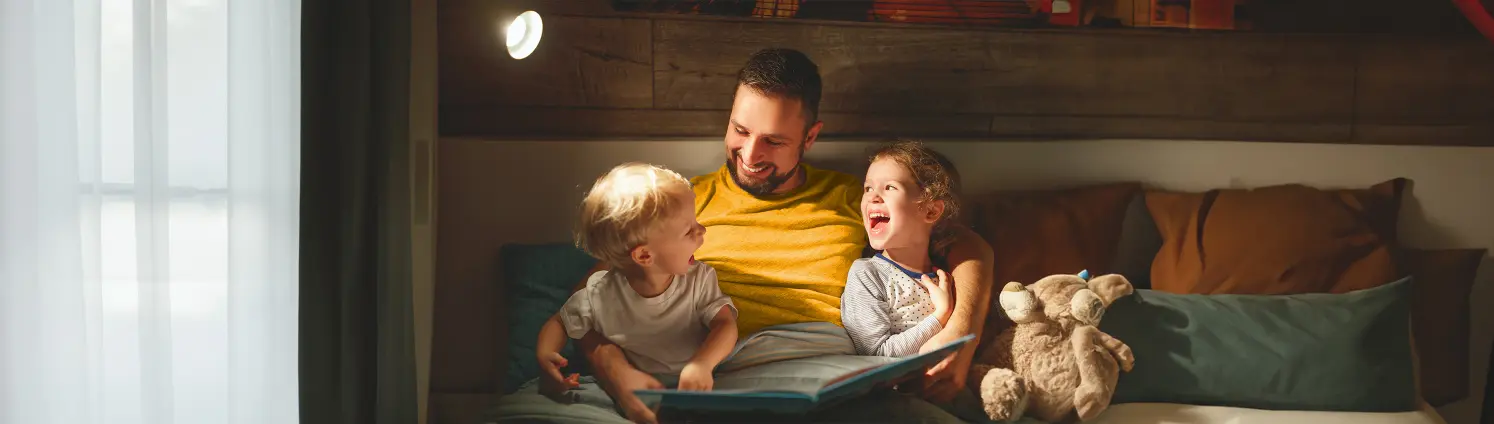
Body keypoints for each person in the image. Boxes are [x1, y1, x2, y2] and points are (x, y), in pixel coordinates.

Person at [505, 48, 995, 424]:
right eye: (740, 130)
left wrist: (957, 339)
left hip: (826, 381)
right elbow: (593, 294)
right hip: (710, 379)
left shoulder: (857, 198)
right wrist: (614, 371)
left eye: (775, 141)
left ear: (810, 137)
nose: (750, 154)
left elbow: (969, 244)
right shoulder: (676, 203)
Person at [534, 163, 739, 399]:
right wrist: (545, 355)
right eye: (688, 231)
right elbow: (560, 322)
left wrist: (702, 364)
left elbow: (725, 325)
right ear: (644, 255)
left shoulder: (699, 279)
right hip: (639, 391)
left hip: (700, 383)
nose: (702, 231)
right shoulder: (601, 293)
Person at [841, 140, 964, 359]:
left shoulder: (947, 274)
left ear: (931, 211)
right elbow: (875, 353)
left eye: (889, 187)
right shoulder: (868, 275)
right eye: (868, 188)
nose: (873, 197)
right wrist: (939, 317)